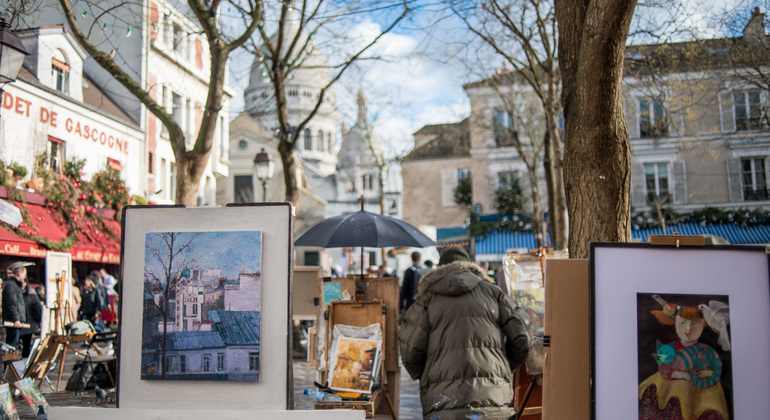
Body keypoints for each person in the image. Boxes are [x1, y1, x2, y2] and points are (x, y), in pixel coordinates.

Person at [399, 246, 532, 419]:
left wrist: (426, 373)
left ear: (440, 269)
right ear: (470, 265)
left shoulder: (426, 300)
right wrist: (506, 365)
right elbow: (522, 335)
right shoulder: (493, 293)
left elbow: (410, 349)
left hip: (443, 400)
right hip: (493, 396)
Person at [638, 305, 729, 419]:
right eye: (683, 323)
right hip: (672, 391)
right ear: (676, 323)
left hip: (699, 393)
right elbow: (663, 368)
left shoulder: (706, 350)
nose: (688, 329)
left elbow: (716, 367)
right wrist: (676, 374)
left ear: (702, 325)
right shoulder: (669, 349)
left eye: (694, 324)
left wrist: (710, 372)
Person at [2, 264, 28, 349]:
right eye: (24, 274)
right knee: (12, 347)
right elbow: (11, 303)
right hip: (13, 322)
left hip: (15, 321)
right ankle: (10, 362)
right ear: (20, 274)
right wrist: (16, 319)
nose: (25, 277)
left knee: (14, 345)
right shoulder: (11, 285)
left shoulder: (14, 285)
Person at [20, 276, 43, 358]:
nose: (22, 285)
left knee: (27, 345)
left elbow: (38, 307)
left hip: (30, 323)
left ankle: (25, 362)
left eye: (23, 283)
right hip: (20, 323)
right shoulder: (16, 293)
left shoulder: (31, 293)